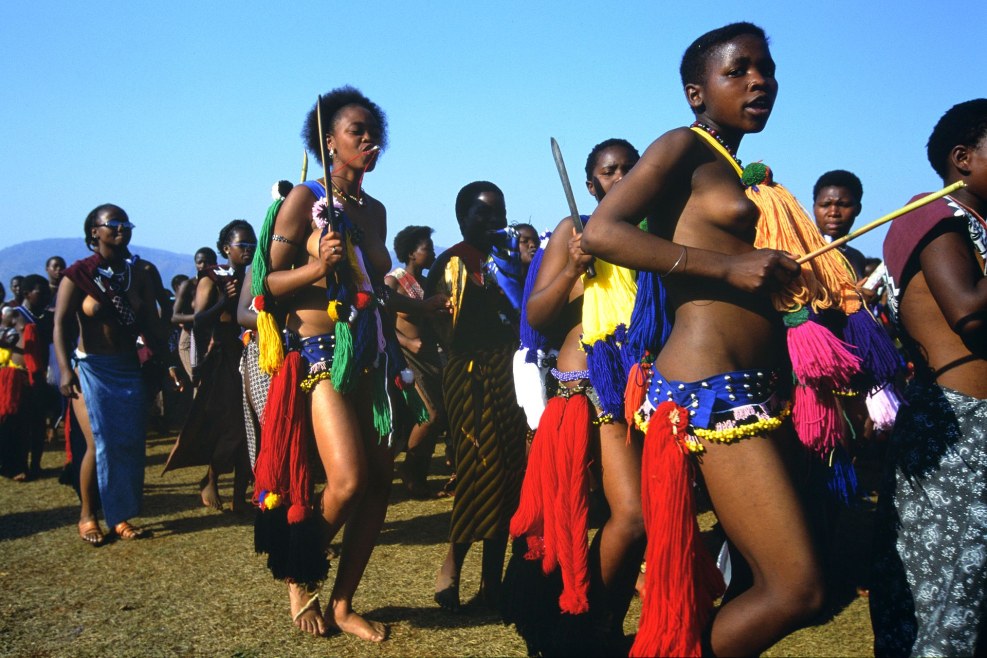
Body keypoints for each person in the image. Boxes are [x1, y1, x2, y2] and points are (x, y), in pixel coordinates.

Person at [582, 23, 828, 656]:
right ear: (696, 92)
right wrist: (727, 266)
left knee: (760, 579)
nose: (759, 81)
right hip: (713, 392)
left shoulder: (732, 167)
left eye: (766, 69)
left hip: (754, 389)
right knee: (796, 590)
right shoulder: (683, 147)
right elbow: (605, 233)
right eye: (737, 70)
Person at [253, 86, 398, 642]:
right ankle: (299, 574)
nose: (368, 140)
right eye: (355, 131)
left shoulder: (376, 210)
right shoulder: (302, 199)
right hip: (317, 356)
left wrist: (422, 307)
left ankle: (342, 603)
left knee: (380, 485)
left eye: (373, 131)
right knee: (347, 479)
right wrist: (316, 269)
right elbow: (265, 285)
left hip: (371, 353)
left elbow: (374, 286)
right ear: (327, 141)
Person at [505, 138, 645, 653]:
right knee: (607, 516)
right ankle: (575, 629)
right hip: (585, 390)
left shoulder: (655, 233)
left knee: (629, 519)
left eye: (632, 169)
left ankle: (599, 628)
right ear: (591, 184)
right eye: (611, 172)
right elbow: (536, 317)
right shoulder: (575, 229)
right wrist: (572, 268)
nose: (622, 178)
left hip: (644, 390)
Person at [870, 98, 987, 657]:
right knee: (952, 596)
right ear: (962, 158)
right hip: (960, 429)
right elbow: (968, 311)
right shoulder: (932, 213)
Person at [426, 181, 529, 613]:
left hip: (508, 371)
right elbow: (440, 328)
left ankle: (492, 579)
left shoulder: (513, 259)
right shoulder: (451, 262)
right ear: (462, 217)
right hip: (468, 372)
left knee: (508, 473)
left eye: (498, 212)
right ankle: (453, 563)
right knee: (476, 468)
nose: (493, 221)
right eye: (482, 213)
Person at [54, 204, 170, 545]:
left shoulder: (139, 273)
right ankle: (88, 515)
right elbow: (60, 324)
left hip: (128, 369)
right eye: (112, 224)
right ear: (95, 231)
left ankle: (120, 516)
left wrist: (166, 362)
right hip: (91, 369)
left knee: (130, 445)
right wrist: (64, 369)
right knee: (99, 444)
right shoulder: (79, 274)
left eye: (125, 223)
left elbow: (150, 321)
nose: (121, 229)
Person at [163, 221, 255, 512]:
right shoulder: (211, 278)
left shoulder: (254, 275)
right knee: (231, 426)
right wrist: (224, 302)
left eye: (252, 246)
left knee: (250, 424)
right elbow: (199, 321)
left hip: (249, 353)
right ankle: (212, 478)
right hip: (220, 359)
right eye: (243, 246)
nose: (248, 251)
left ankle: (240, 496)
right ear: (227, 248)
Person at [384, 225, 448, 498]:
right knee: (428, 414)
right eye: (427, 249)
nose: (432, 253)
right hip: (407, 358)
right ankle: (409, 472)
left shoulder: (427, 284)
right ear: (411, 253)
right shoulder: (393, 282)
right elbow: (383, 324)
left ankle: (419, 475)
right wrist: (408, 343)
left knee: (439, 416)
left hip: (430, 358)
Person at [0, 274, 52, 481]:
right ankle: (15, 466)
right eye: (41, 291)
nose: (46, 295)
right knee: (15, 424)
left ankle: (36, 464)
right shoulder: (13, 313)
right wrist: (7, 338)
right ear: (26, 293)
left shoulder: (47, 317)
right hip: (16, 376)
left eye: (48, 292)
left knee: (38, 420)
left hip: (38, 375)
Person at [172, 247, 219, 385]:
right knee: (198, 380)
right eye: (200, 262)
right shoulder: (189, 285)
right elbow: (174, 316)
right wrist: (197, 318)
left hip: (213, 336)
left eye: (208, 262)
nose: (203, 266)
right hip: (190, 337)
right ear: (195, 264)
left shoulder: (220, 284)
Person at [812, 170, 869, 279]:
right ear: (814, 207)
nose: (833, 213)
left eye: (843, 205)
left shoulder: (857, 258)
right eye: (825, 205)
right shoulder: (802, 250)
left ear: (858, 209)